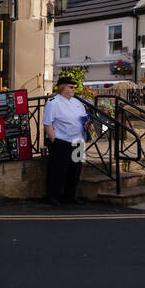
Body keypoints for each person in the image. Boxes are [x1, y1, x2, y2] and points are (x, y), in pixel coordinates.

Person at [43, 75, 90, 206]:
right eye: (71, 87)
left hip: (78, 141)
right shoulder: (53, 103)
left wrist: (88, 124)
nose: (73, 89)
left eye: (74, 87)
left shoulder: (77, 102)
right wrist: (54, 141)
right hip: (62, 141)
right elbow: (47, 123)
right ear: (62, 88)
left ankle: (70, 195)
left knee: (75, 171)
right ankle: (53, 196)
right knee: (58, 170)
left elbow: (84, 119)